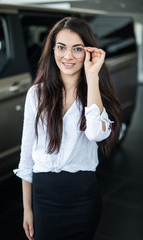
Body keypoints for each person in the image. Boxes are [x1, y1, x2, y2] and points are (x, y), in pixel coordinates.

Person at [14, 17, 121, 240]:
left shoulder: (94, 95)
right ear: (52, 50)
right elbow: (26, 155)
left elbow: (96, 133)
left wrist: (92, 78)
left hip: (82, 198)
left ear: (88, 52)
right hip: (44, 196)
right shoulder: (37, 94)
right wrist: (27, 208)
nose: (68, 56)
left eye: (77, 49)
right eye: (61, 47)